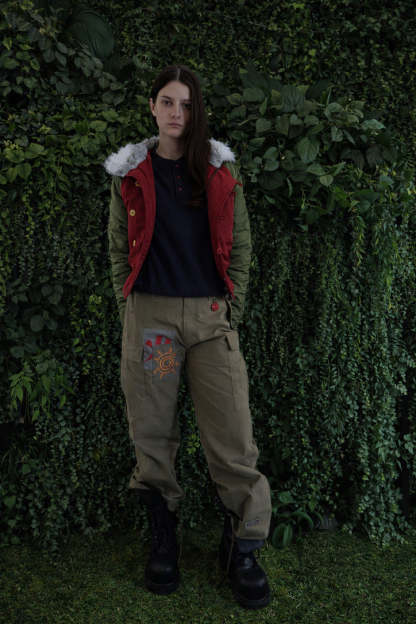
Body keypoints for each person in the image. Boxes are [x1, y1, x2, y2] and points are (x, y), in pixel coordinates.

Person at [104, 64, 272, 609]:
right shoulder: (132, 173)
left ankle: (243, 546)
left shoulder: (218, 170)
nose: (177, 112)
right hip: (153, 326)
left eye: (187, 104)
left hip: (209, 322)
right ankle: (165, 538)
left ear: (197, 111)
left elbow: (240, 245)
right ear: (152, 106)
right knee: (153, 429)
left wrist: (231, 309)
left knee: (232, 433)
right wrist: (131, 304)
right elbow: (117, 245)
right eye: (168, 102)